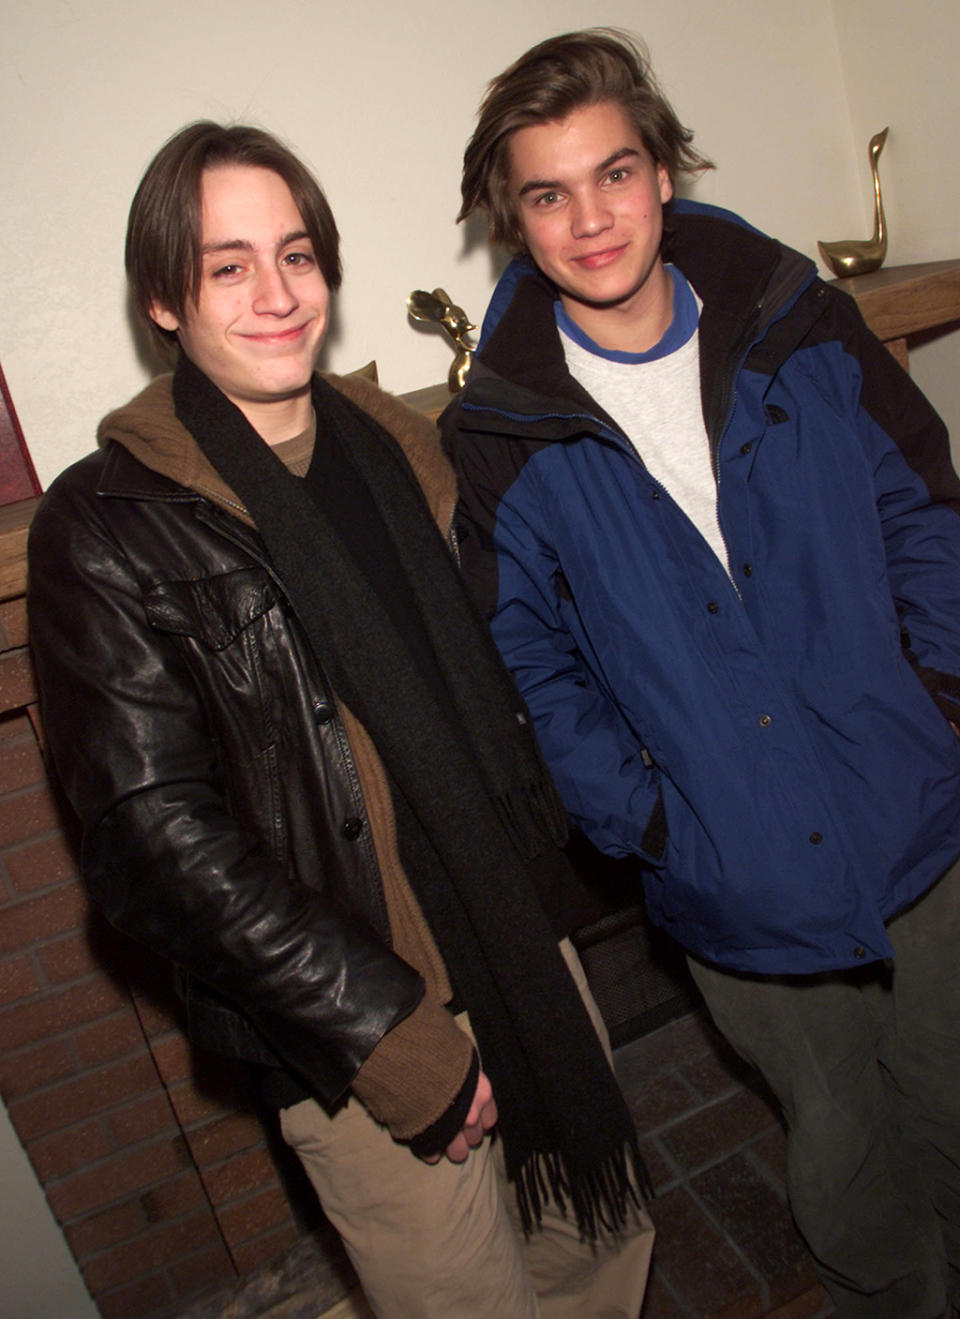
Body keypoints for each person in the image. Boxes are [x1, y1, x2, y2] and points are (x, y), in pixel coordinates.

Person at [27, 121, 654, 1319]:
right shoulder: (106, 524)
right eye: (228, 265)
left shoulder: (397, 443)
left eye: (297, 253)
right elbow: (154, 844)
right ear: (164, 297)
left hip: (521, 934)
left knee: (609, 1240)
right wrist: (389, 1037)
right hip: (361, 1016)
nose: (277, 294)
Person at [442, 28, 960, 1319]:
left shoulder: (801, 318)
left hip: (921, 811)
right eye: (548, 194)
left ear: (664, 171)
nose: (590, 218)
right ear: (516, 219)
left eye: (614, 173)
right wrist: (649, 818)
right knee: (845, 1153)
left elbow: (928, 513)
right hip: (736, 879)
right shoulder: (502, 431)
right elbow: (528, 663)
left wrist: (943, 704)